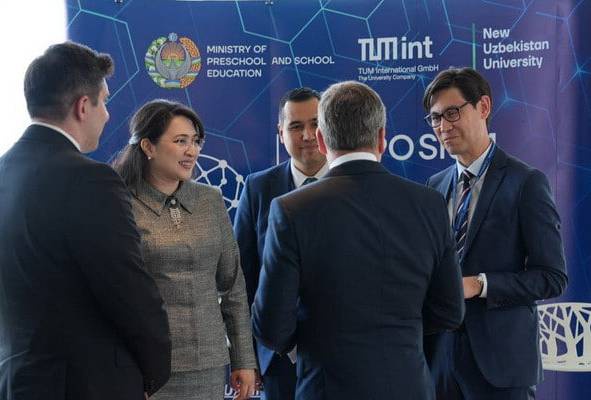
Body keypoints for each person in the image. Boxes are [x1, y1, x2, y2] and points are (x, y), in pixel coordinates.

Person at [251, 80, 465, 400]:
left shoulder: (291, 209)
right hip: (408, 385)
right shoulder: (429, 204)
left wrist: (315, 341)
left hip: (326, 387)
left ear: (321, 140)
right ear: (381, 138)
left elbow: (271, 327)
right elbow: (449, 310)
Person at [0, 42, 171, 399]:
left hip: (18, 380)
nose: (107, 114)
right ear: (82, 106)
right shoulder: (90, 180)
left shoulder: (5, 170)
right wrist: (154, 373)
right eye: (104, 101)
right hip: (87, 384)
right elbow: (127, 290)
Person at [422, 67, 568, 399]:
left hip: (501, 365)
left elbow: (552, 277)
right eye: (435, 118)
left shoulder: (526, 182)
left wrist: (480, 284)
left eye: (452, 113)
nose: (443, 127)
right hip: (439, 360)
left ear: (484, 107)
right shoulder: (435, 185)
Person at [112, 99, 257, 400]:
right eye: (180, 141)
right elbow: (114, 295)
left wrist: (244, 359)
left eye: (195, 141)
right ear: (148, 147)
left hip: (209, 365)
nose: (192, 151)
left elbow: (232, 287)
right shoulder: (121, 204)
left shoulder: (210, 200)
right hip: (145, 366)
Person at [233, 87, 327, 400]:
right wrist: (246, 355)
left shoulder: (355, 185)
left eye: (316, 124)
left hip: (341, 356)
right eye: (296, 126)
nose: (308, 135)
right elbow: (241, 280)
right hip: (276, 360)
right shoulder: (258, 188)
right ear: (280, 132)